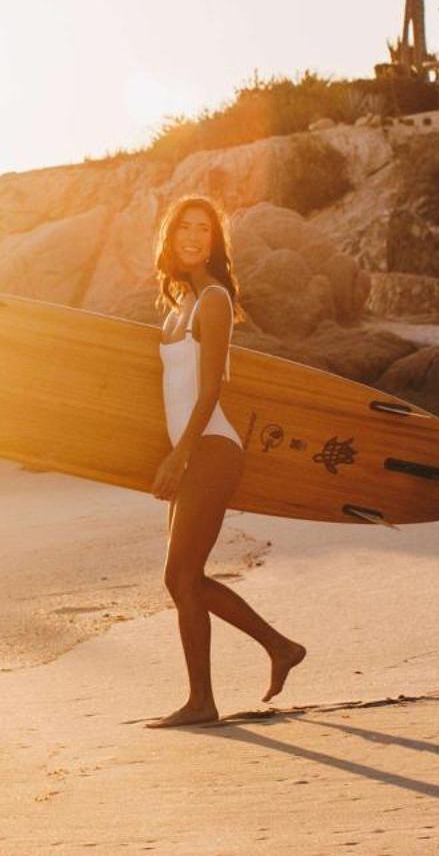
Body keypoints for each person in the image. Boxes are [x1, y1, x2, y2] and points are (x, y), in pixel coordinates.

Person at [144, 194, 306, 728]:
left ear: (214, 243)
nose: (193, 237)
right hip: (193, 452)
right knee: (182, 580)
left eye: (204, 231)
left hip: (210, 449)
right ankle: (270, 654)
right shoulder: (178, 305)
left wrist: (180, 455)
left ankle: (213, 694)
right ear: (169, 236)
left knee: (181, 576)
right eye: (185, 228)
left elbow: (212, 387)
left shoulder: (212, 299)